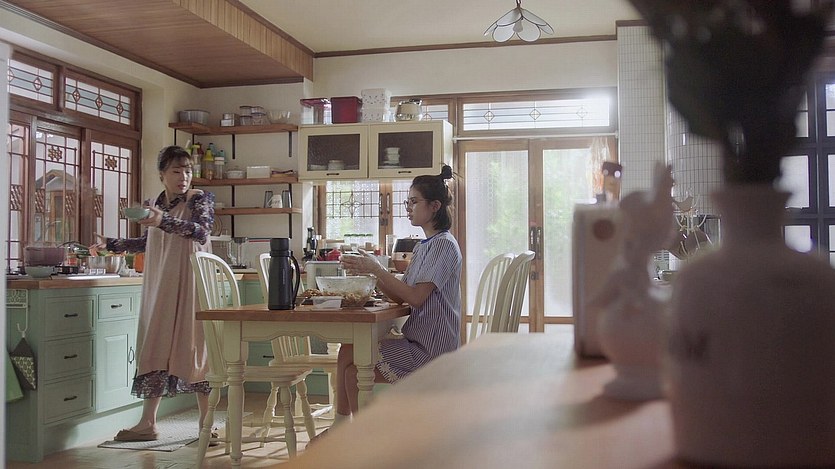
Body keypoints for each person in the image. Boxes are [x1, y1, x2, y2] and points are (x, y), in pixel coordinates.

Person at [91, 145, 214, 441]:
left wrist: (163, 221)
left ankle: (206, 425)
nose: (183, 177)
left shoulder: (200, 199)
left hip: (191, 283)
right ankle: (148, 423)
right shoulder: (157, 204)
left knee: (193, 346)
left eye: (187, 171)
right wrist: (113, 244)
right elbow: (150, 240)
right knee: (155, 344)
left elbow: (201, 231)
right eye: (176, 171)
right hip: (160, 283)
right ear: (162, 174)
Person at [334, 165, 462, 425]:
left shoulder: (443, 245)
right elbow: (400, 298)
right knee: (349, 359)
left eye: (414, 202)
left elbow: (415, 298)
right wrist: (372, 272)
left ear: (435, 206)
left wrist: (377, 269)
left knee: (351, 360)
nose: (408, 207)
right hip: (419, 343)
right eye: (407, 202)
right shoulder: (425, 246)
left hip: (432, 353)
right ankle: (348, 430)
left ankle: (349, 432)